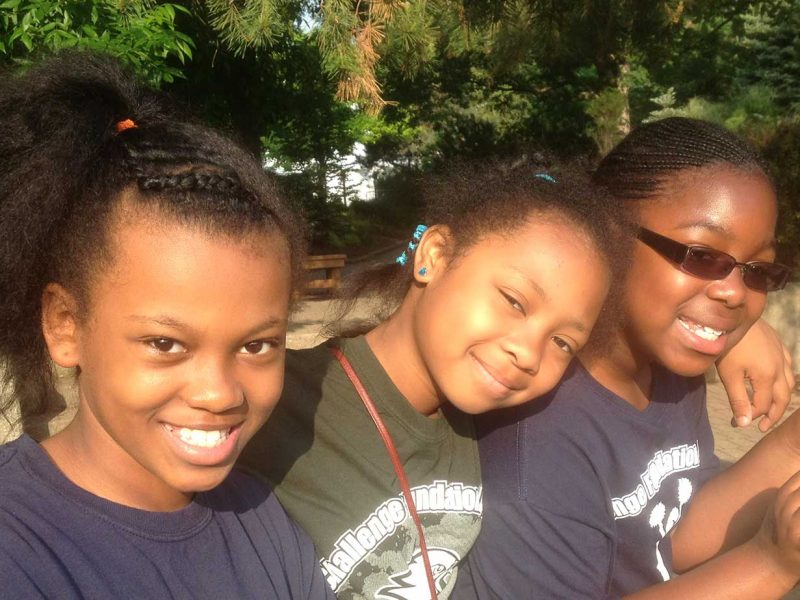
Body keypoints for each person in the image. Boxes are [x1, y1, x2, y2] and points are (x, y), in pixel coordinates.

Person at [0, 52, 334, 599]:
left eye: (256, 345)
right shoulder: (17, 552)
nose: (218, 393)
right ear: (65, 326)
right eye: (165, 343)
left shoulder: (261, 519)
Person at [239, 164, 624, 599]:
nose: (529, 353)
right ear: (434, 255)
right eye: (515, 301)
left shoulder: (494, 432)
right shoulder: (277, 403)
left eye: (563, 342)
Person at [455, 117, 800, 599]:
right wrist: (767, 564)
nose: (735, 292)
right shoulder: (539, 443)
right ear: (609, 236)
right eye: (702, 255)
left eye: (757, 271)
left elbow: (671, 537)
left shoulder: (669, 372)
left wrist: (794, 444)